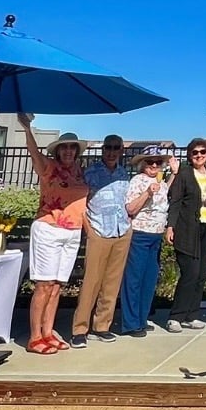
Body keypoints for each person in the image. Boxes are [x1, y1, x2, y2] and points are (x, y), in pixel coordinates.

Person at [19, 117, 88, 355]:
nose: (68, 151)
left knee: (57, 285)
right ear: (57, 150)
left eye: (72, 147)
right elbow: (32, 152)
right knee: (44, 284)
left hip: (72, 232)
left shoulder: (79, 171)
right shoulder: (48, 167)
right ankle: (35, 337)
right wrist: (27, 128)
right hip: (48, 228)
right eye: (64, 147)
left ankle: (48, 333)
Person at [69, 135, 132, 348]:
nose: (112, 151)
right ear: (103, 149)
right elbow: (80, 203)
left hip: (121, 231)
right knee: (91, 282)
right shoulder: (90, 173)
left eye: (116, 148)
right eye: (108, 147)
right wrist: (89, 230)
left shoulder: (124, 174)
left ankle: (102, 326)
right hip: (99, 232)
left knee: (112, 283)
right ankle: (80, 329)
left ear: (121, 150)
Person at [119, 145, 178, 338]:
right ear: (142, 164)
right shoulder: (137, 181)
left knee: (149, 279)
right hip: (140, 234)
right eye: (150, 162)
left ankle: (142, 319)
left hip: (156, 235)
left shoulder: (159, 182)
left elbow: (164, 194)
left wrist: (174, 174)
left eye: (158, 162)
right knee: (134, 279)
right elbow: (130, 208)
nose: (154, 165)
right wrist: (147, 193)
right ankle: (130, 322)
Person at [165, 137, 206, 333]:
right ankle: (176, 316)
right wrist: (170, 226)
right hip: (188, 229)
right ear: (190, 155)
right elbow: (176, 201)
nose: (199, 156)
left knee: (201, 275)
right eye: (195, 152)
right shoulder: (185, 174)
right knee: (190, 273)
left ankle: (192, 314)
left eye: (202, 152)